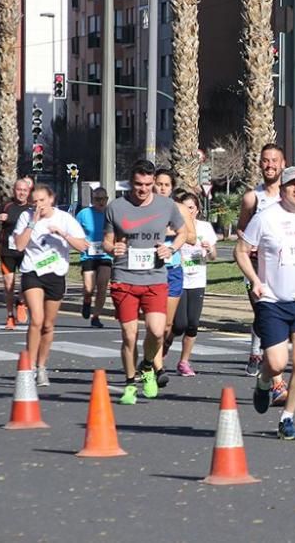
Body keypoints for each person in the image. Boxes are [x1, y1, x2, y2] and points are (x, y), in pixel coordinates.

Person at [235, 166, 295, 440]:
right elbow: (241, 251)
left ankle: (287, 418)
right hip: (272, 301)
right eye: (291, 184)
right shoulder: (266, 218)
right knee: (277, 363)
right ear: (282, 189)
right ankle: (265, 381)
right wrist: (255, 280)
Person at [104, 160, 187, 405]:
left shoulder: (166, 205)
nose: (143, 189)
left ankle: (148, 365)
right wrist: (113, 248)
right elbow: (107, 241)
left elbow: (183, 233)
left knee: (157, 331)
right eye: (139, 184)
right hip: (125, 278)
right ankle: (130, 383)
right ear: (131, 183)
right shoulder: (116, 207)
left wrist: (171, 249)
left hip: (155, 278)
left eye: (148, 185)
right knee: (129, 335)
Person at [13, 184, 89, 387]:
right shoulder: (26, 217)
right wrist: (32, 223)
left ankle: (41, 366)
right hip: (32, 273)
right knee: (36, 320)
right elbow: (20, 245)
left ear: (51, 199)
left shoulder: (64, 219)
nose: (38, 205)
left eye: (42, 201)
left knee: (48, 324)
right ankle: (27, 368)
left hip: (56, 274)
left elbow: (83, 246)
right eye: (34, 202)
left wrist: (63, 234)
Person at [236, 144, 288, 400]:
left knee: (274, 320)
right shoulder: (252, 198)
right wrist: (252, 243)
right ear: (260, 164)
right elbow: (242, 231)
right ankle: (277, 382)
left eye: (274, 161)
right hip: (257, 270)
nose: (270, 165)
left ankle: (260, 357)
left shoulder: (292, 195)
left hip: (285, 269)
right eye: (265, 161)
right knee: (267, 316)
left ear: (283, 164)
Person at [151, 168, 198, 387]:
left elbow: (191, 237)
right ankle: (155, 365)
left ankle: (157, 355)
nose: (161, 188)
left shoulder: (179, 209)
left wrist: (171, 233)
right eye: (158, 184)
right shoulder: (144, 208)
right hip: (150, 271)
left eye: (166, 185)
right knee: (155, 323)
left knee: (169, 324)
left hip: (173, 270)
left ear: (172, 188)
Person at [170, 190, 217, 376]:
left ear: (197, 210)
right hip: (180, 279)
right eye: (185, 208)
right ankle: (163, 348)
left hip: (197, 280)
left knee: (193, 324)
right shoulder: (175, 228)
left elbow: (213, 256)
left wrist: (209, 248)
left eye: (191, 208)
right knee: (179, 324)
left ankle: (184, 361)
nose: (188, 212)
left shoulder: (204, 227)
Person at [0, 178, 33, 329]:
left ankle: (21, 301)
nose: (21, 193)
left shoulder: (32, 208)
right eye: (19, 190)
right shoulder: (6, 206)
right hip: (7, 251)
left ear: (29, 192)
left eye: (24, 190)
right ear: (14, 191)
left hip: (26, 251)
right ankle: (10, 316)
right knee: (9, 285)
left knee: (28, 283)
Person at [76, 187, 113, 328]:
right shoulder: (84, 214)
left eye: (103, 199)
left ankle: (96, 316)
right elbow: (74, 231)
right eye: (97, 199)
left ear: (107, 199)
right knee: (88, 287)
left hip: (105, 254)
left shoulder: (110, 214)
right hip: (88, 254)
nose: (101, 202)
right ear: (92, 200)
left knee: (102, 285)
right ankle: (86, 301)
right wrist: (80, 242)